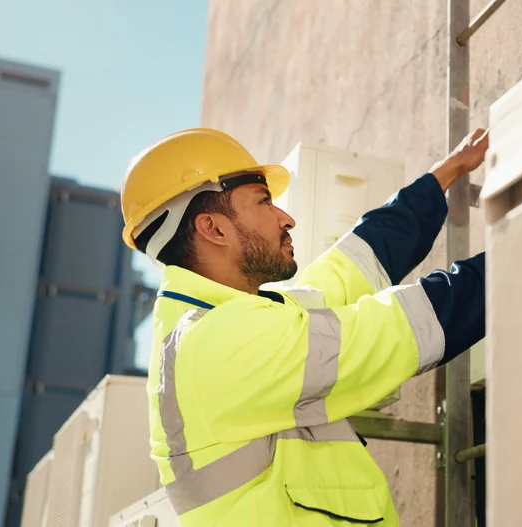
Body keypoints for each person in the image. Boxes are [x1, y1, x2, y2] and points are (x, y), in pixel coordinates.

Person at [119, 127, 488, 526]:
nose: (286, 217)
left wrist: (440, 178)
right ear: (214, 229)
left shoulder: (226, 322)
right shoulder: (215, 344)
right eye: (263, 201)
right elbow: (392, 331)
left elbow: (348, 271)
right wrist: (521, 244)